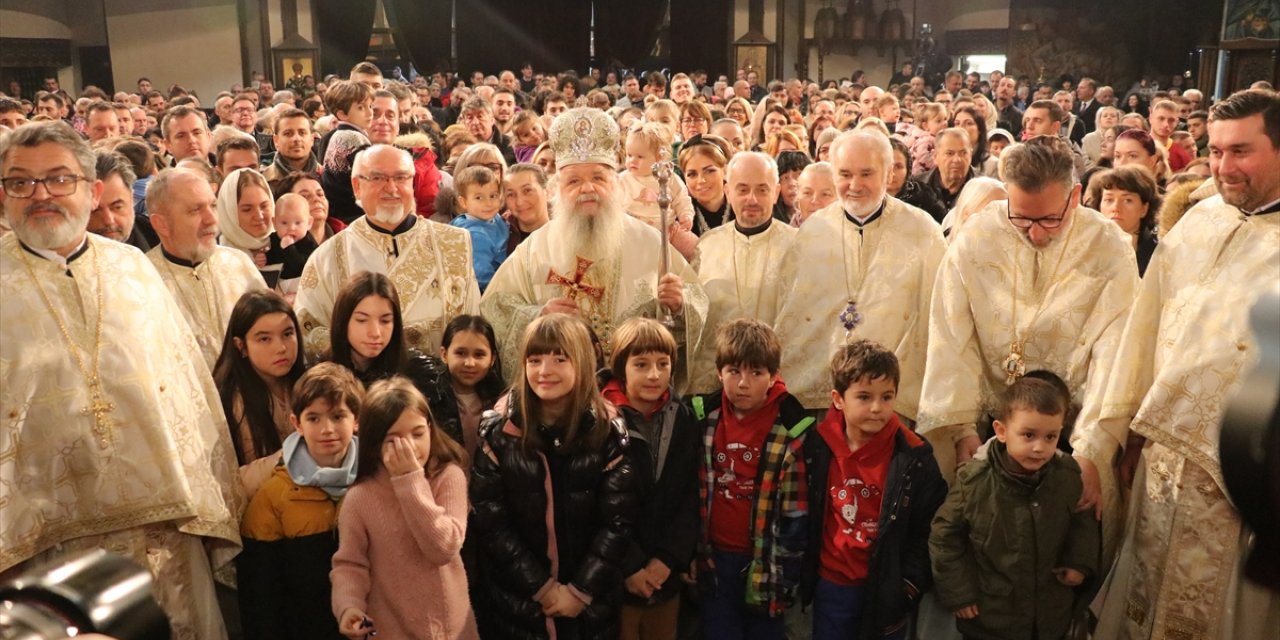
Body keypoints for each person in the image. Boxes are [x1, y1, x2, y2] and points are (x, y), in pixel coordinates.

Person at [0, 120, 241, 640]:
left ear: (90, 191)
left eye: (59, 179)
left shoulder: (133, 267)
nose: (40, 194)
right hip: (40, 548)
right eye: (21, 182)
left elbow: (187, 390)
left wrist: (212, 496)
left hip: (162, 534)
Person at [1085, 89, 1280, 640]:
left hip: (1247, 482)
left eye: (1241, 151)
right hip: (1162, 467)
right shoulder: (1197, 223)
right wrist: (1123, 435)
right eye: (1215, 151)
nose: (1222, 166)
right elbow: (1145, 337)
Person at [916, 135, 1139, 575]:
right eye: (1021, 218)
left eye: (1050, 220)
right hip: (986, 428)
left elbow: (1116, 353)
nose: (1036, 233)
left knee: (1059, 561)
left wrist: (1092, 452)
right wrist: (960, 428)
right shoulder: (976, 237)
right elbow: (950, 337)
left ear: (1075, 196)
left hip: (1070, 434)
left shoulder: (1108, 246)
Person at [482, 108, 708, 391]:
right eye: (574, 181)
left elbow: (696, 299)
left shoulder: (650, 242)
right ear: (557, 188)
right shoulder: (534, 249)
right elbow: (495, 307)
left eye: (599, 178)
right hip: (557, 398)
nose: (587, 188)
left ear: (616, 182)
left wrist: (680, 305)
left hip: (632, 396)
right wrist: (537, 315)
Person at [469, 313, 637, 639]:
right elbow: (491, 522)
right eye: (535, 360)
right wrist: (543, 589)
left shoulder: (607, 430)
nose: (544, 371)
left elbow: (618, 521)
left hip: (590, 602)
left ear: (583, 363)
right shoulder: (499, 431)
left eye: (560, 359)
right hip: (521, 602)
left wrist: (579, 592)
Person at [774, 131, 945, 423]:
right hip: (822, 397)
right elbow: (791, 314)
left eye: (866, 173)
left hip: (892, 399)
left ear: (889, 173)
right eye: (844, 174)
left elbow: (938, 316)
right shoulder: (813, 232)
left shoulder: (922, 232)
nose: (854, 185)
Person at [929, 375, 1100, 640]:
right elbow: (944, 538)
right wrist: (959, 594)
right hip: (991, 616)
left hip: (1048, 614)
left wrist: (1079, 562)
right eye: (1029, 435)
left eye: (1050, 437)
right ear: (1002, 431)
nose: (1039, 447)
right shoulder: (974, 481)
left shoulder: (1066, 475)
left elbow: (1082, 519)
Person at [800, 340, 945, 640]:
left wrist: (908, 587)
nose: (877, 408)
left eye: (886, 397)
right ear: (838, 399)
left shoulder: (914, 457)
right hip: (832, 586)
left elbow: (929, 529)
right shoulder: (816, 446)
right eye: (864, 397)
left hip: (886, 591)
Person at [296, 144, 482, 359]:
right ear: (357, 186)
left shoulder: (454, 243)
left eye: (401, 178)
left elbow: (472, 325)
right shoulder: (327, 257)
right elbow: (308, 330)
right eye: (378, 178)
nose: (392, 188)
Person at [331, 377, 479, 639]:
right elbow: (350, 564)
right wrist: (349, 606)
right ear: (375, 445)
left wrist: (410, 481)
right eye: (394, 439)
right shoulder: (360, 498)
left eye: (418, 434)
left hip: (450, 629)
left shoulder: (449, 477)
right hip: (390, 629)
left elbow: (443, 548)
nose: (409, 446)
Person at [691, 318, 812, 638]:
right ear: (720, 372)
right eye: (734, 371)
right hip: (714, 561)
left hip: (765, 563)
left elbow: (795, 513)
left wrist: (787, 575)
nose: (743, 383)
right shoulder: (705, 418)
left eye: (756, 373)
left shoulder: (790, 429)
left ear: (773, 377)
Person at [238, 362, 364, 640]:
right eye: (314, 418)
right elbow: (260, 593)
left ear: (356, 420)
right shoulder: (274, 496)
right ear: (297, 423)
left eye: (338, 416)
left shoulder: (373, 480)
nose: (327, 429)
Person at [599, 318, 700, 640]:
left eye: (663, 364)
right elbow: (596, 500)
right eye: (641, 364)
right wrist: (630, 565)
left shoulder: (682, 417)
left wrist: (669, 558)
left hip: (663, 572)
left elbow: (689, 492)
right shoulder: (601, 420)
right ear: (620, 367)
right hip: (614, 571)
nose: (654, 375)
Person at [689, 152, 797, 394]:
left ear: (777, 192)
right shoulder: (707, 246)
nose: (752, 199)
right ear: (727, 191)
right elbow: (695, 323)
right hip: (716, 388)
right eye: (742, 189)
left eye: (762, 189)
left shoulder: (798, 247)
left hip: (776, 387)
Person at [147, 168, 267, 368]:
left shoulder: (239, 264)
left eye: (213, 205)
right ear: (162, 224)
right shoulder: (143, 280)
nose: (211, 219)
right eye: (195, 210)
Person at [214, 289, 307, 496]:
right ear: (241, 346)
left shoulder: (308, 383)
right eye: (264, 339)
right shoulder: (229, 400)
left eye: (288, 334)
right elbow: (227, 484)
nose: (281, 347)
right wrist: (290, 455)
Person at [1089, 165, 1162, 275]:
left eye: (1127, 200)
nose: (1116, 208)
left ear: (1144, 208)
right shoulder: (1086, 248)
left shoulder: (1159, 254)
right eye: (1109, 200)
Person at [450, 165, 509, 291]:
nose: (488, 203)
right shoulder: (475, 235)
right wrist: (504, 290)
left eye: (493, 196)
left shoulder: (490, 217)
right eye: (479, 198)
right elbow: (482, 275)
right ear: (464, 202)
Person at [679, 134, 732, 232]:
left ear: (725, 171)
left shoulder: (742, 209)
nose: (701, 180)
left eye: (709, 171)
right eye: (692, 174)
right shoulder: (680, 217)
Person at [920, 128, 975, 219]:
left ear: (970, 155)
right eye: (949, 153)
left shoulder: (985, 189)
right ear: (935, 156)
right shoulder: (917, 187)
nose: (957, 159)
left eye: (963, 153)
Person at [503, 163, 551, 251]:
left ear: (547, 191)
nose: (519, 202)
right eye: (511, 194)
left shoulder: (567, 232)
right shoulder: (497, 235)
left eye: (527, 190)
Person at [793, 161, 836, 227]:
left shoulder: (853, 235)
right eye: (807, 193)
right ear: (798, 196)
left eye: (825, 194)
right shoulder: (783, 235)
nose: (815, 201)